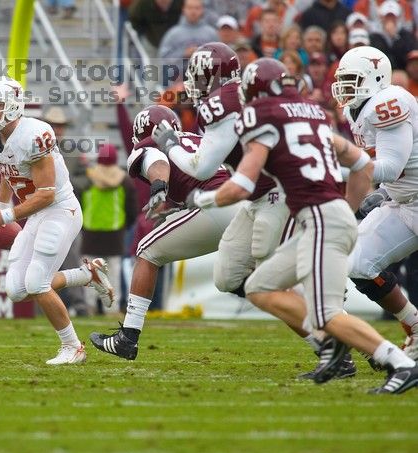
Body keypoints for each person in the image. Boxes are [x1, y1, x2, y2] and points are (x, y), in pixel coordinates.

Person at [189, 57, 418, 394]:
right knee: (258, 286)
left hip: (322, 218)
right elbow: (361, 166)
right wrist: (351, 207)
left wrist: (201, 200)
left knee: (325, 311)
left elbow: (240, 185)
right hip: (327, 217)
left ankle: (399, 362)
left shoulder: (262, 119)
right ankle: (336, 344)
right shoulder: (315, 118)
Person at [150, 43, 357, 377]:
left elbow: (201, 168)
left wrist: (171, 145)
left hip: (278, 194)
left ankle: (340, 344)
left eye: (197, 74)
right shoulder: (238, 97)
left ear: (211, 75)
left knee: (270, 279)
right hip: (257, 198)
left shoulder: (222, 103)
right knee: (228, 275)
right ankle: (334, 336)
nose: (193, 82)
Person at [0, 76, 114, 364]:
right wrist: (2, 202)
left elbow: (47, 194)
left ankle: (72, 347)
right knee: (16, 290)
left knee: (37, 283)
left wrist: (6, 214)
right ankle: (88, 275)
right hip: (36, 212)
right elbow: (6, 166)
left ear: (14, 105)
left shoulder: (35, 134)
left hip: (60, 210)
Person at [89, 105, 240, 359]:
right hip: (243, 204)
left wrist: (159, 186)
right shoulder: (196, 140)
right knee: (249, 281)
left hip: (218, 205)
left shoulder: (147, 146)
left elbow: (156, 160)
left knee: (147, 251)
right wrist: (174, 205)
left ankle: (128, 337)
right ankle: (323, 340)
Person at [332, 46, 418, 360]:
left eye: (353, 79)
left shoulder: (387, 103)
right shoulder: (357, 108)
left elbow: (389, 167)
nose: (345, 87)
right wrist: (383, 192)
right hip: (403, 201)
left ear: (376, 77)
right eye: (343, 79)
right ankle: (415, 326)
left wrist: (329, 166)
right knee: (356, 263)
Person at [78, 143, 138, 314]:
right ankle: (112, 309)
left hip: (90, 232)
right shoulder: (124, 180)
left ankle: (90, 307)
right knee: (113, 274)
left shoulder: (88, 179)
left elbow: (78, 202)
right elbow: (132, 208)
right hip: (115, 233)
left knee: (90, 273)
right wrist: (126, 225)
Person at [42, 106, 90, 317]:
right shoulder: (37, 149)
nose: (57, 129)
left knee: (70, 257)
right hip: (43, 211)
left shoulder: (72, 150)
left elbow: (87, 178)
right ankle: (46, 302)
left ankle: (79, 303)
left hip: (67, 211)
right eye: (54, 125)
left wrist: (66, 186)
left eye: (60, 126)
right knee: (44, 257)